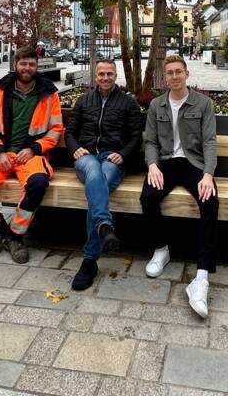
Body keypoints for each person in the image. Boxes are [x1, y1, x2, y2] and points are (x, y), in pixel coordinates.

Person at [0, 45, 63, 264]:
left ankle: (15, 236)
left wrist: (34, 148)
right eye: (23, 63)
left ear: (37, 67)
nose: (27, 68)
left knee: (37, 184)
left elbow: (56, 130)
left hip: (30, 155)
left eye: (32, 64)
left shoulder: (48, 93)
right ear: (15, 64)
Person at [140, 55, 218, 318]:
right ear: (165, 78)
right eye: (169, 73)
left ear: (187, 74)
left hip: (194, 164)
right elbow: (150, 141)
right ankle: (161, 250)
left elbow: (209, 142)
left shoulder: (203, 104)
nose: (174, 77)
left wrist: (208, 174)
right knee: (148, 196)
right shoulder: (156, 106)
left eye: (178, 72)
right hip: (166, 163)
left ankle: (202, 277)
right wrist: (152, 166)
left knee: (210, 200)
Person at [65, 59, 142, 291]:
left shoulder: (128, 103)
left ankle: (90, 260)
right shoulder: (83, 101)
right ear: (95, 76)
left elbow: (136, 137)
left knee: (99, 181)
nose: (105, 78)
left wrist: (123, 154)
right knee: (94, 173)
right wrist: (74, 147)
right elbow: (70, 132)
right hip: (86, 156)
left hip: (112, 158)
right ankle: (104, 228)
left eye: (109, 74)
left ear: (116, 75)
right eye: (101, 74)